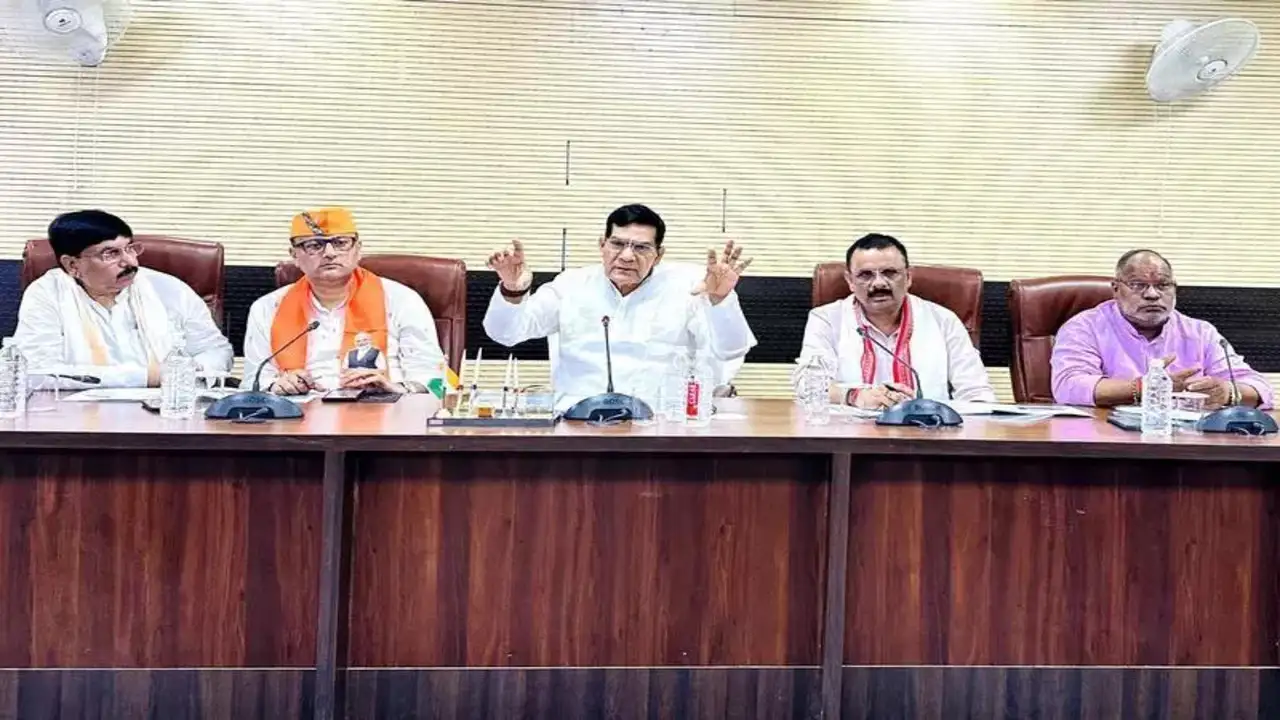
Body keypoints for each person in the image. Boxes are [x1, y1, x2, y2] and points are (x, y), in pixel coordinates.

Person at [483, 203, 756, 411]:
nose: (626, 256)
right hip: (578, 424)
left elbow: (731, 350)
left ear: (658, 255)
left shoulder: (690, 285)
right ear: (602, 245)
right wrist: (513, 289)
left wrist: (720, 300)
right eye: (617, 244)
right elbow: (506, 334)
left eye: (641, 248)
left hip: (662, 425)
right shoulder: (571, 285)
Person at [14, 209, 232, 388]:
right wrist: (147, 377)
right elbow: (37, 372)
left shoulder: (168, 288)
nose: (130, 262)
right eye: (111, 253)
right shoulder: (47, 294)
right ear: (72, 265)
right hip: (77, 416)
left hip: (166, 409)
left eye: (129, 249)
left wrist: (191, 370)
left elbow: (216, 350)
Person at [243, 207, 445, 395]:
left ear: (358, 249)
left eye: (340, 243)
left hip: (383, 409)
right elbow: (253, 380)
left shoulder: (401, 300)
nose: (329, 253)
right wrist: (276, 386)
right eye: (314, 245)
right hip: (297, 413)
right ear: (294, 255)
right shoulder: (268, 308)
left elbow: (435, 380)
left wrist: (395, 388)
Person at [1052, 249, 1272, 409]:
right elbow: (1068, 387)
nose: (1152, 294)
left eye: (1163, 285)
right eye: (1138, 285)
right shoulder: (1085, 327)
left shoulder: (1200, 333)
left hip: (1185, 441)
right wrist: (1145, 388)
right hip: (1105, 439)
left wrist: (1228, 392)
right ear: (1116, 289)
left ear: (1174, 289)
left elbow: (1259, 388)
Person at [797, 233, 996, 410]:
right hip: (851, 433)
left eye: (890, 273)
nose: (878, 283)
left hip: (929, 431)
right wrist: (854, 396)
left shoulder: (943, 320)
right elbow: (808, 385)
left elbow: (976, 392)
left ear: (908, 277)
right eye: (865, 275)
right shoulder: (827, 319)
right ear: (850, 281)